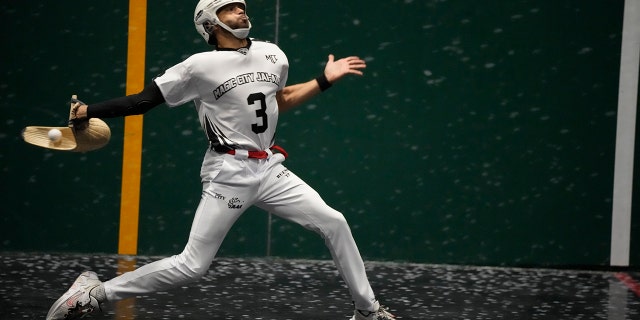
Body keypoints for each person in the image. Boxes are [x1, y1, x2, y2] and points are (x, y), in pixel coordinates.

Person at [46, 1, 395, 319]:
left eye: (242, 7)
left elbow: (280, 99)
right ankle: (95, 293)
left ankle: (368, 311)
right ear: (210, 22)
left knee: (334, 221)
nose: (242, 11)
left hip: (269, 168)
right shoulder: (198, 67)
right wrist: (89, 110)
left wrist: (322, 81)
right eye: (231, 9)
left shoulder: (274, 54)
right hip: (229, 172)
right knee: (192, 266)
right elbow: (142, 101)